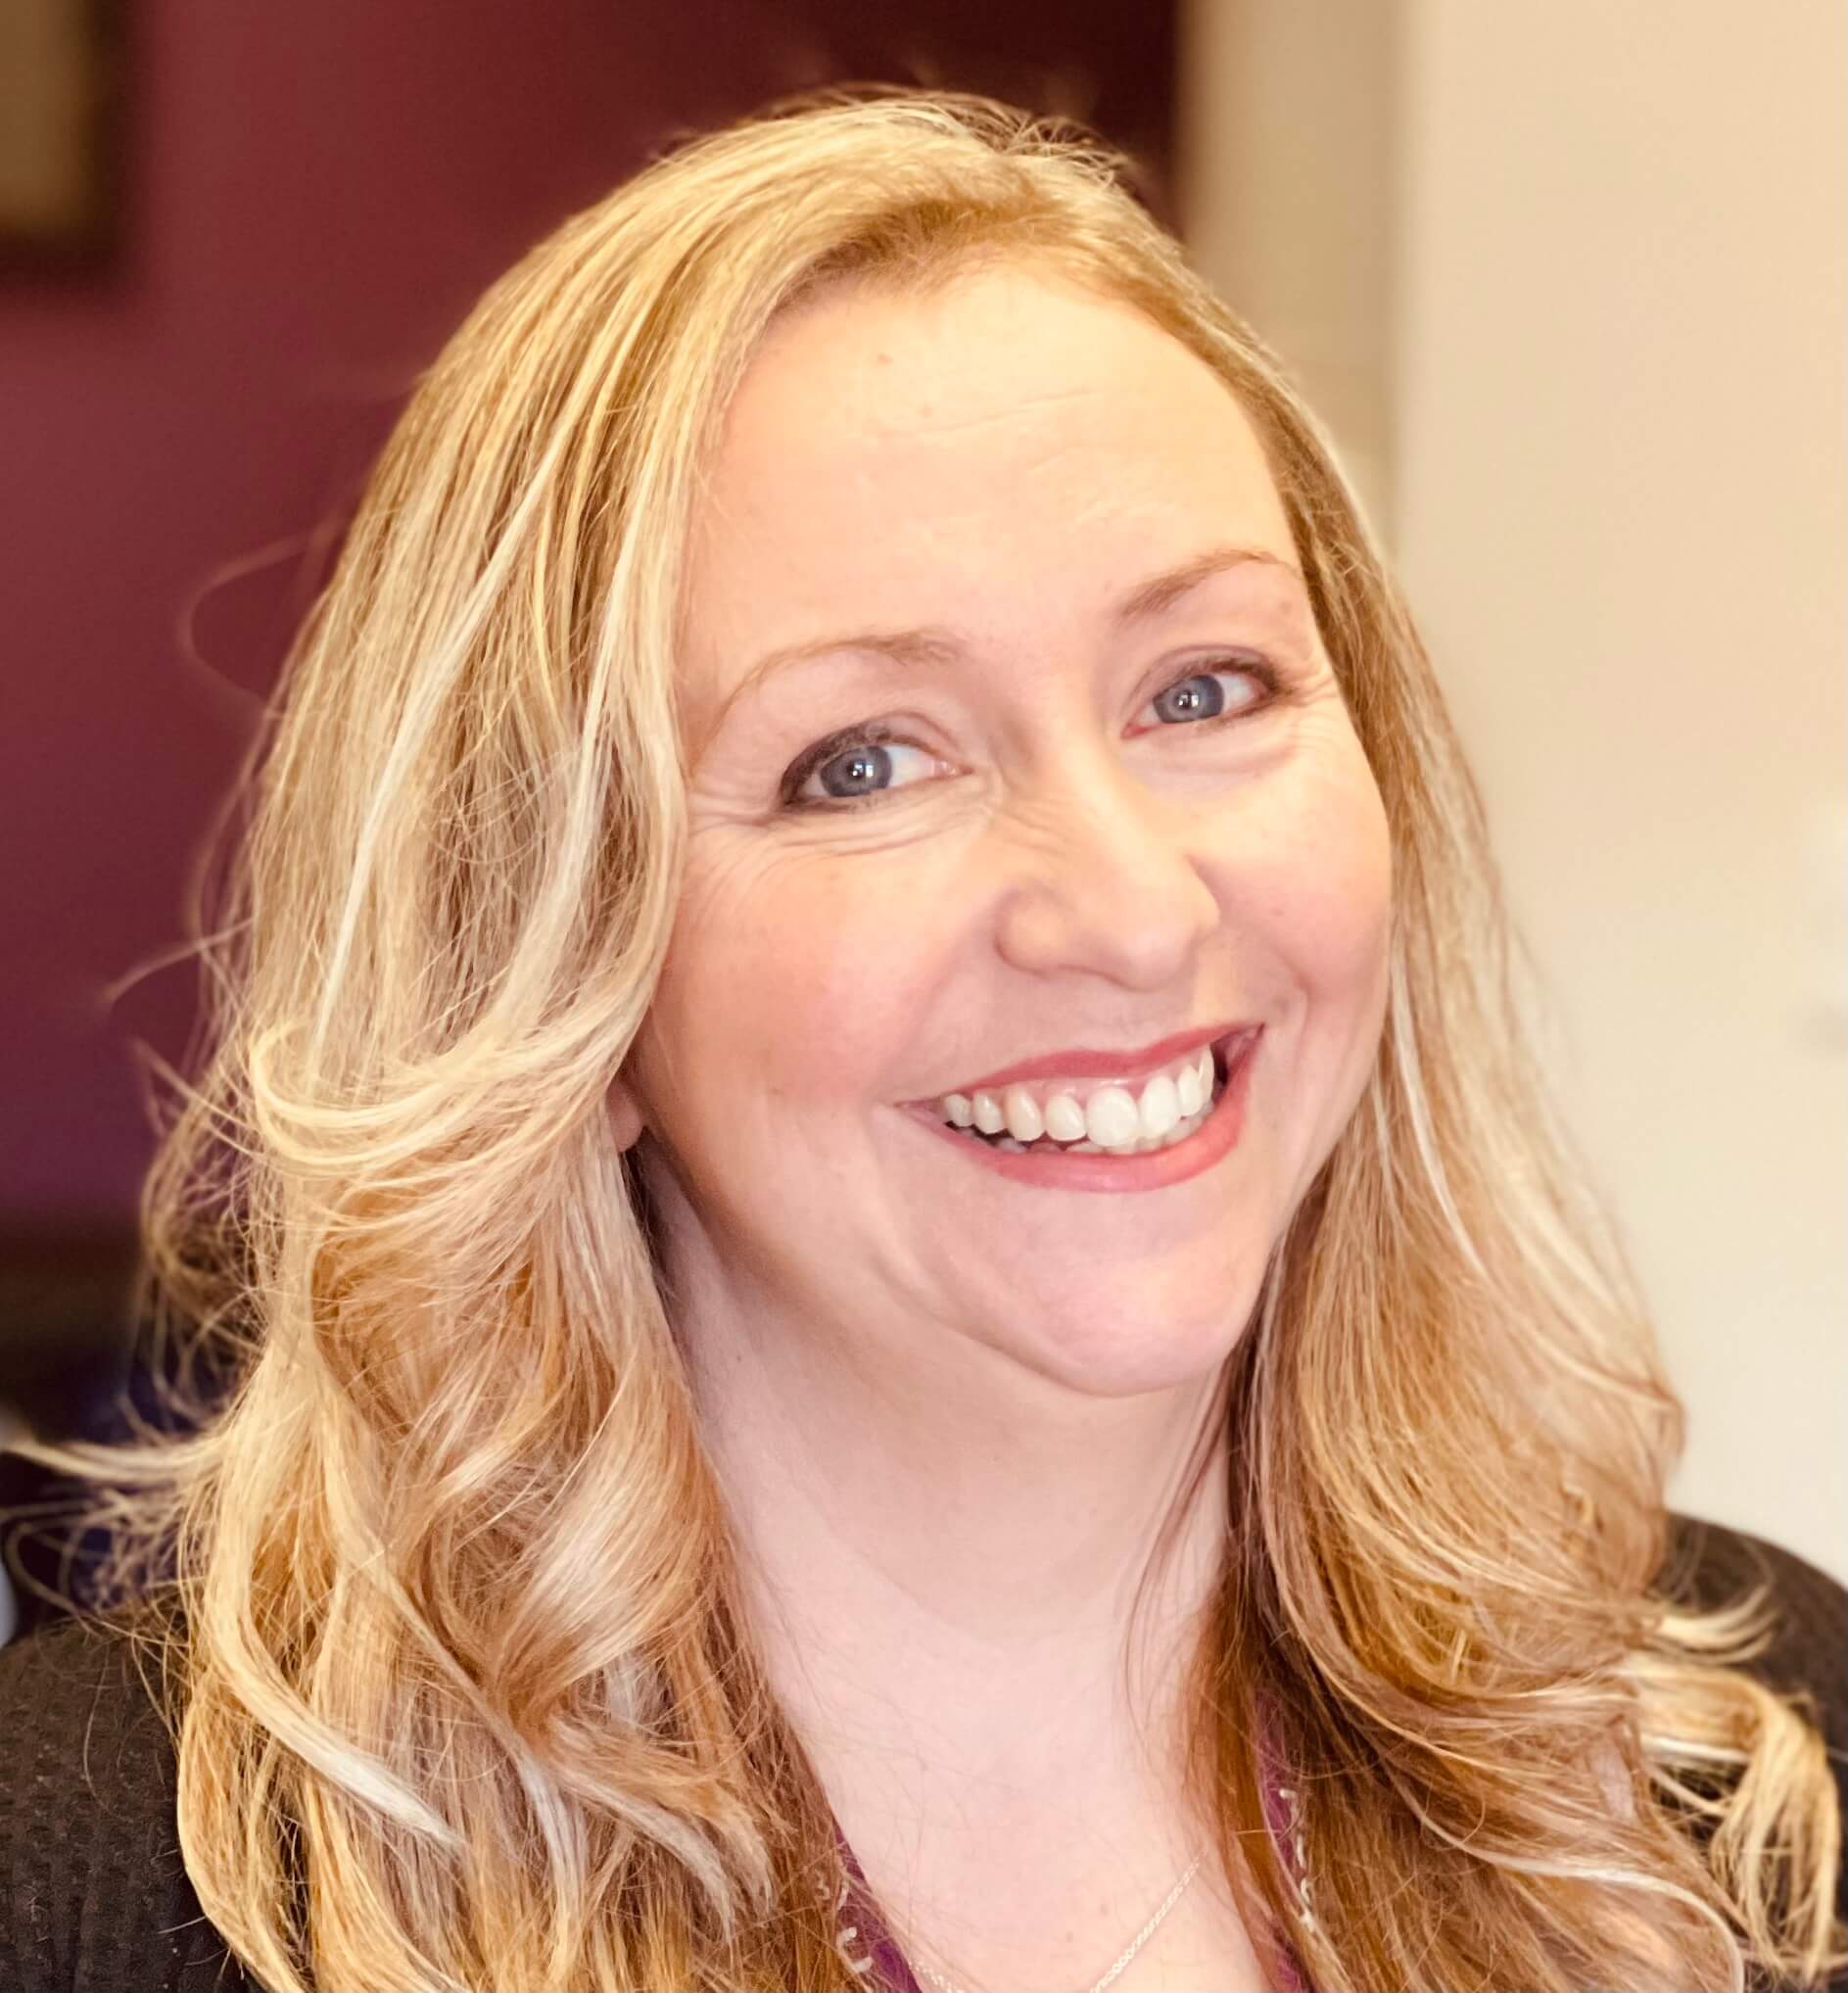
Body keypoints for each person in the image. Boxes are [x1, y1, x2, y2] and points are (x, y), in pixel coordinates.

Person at [1, 88, 1842, 1993]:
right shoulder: (93, 1896)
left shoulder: (1751, 1776)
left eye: (1203, 688)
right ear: (561, 974)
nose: (1130, 910)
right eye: (861, 762)